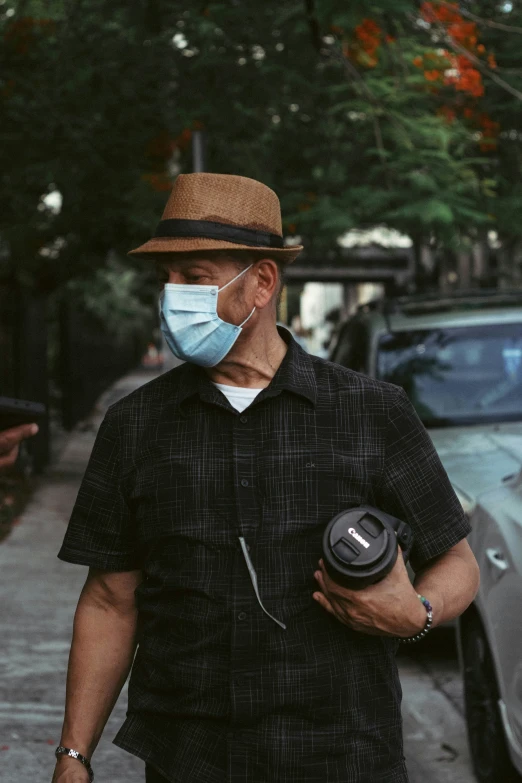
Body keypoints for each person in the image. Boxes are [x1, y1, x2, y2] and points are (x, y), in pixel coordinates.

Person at [53, 173, 479, 783]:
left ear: (261, 282)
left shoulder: (372, 411)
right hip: (190, 758)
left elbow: (457, 560)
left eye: (195, 278)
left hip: (344, 754)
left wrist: (419, 613)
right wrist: (73, 756)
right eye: (166, 280)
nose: (174, 297)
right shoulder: (135, 425)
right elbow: (109, 600)